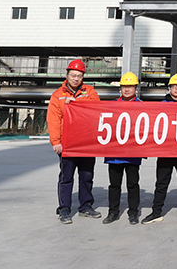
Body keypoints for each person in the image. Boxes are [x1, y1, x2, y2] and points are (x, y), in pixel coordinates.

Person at [47, 59, 101, 223]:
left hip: (86, 143)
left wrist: (78, 103)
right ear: (67, 75)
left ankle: (85, 206)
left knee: (86, 176)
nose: (76, 79)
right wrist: (56, 142)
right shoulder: (58, 95)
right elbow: (54, 120)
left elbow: (97, 108)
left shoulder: (90, 92)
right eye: (73, 75)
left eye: (79, 76)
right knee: (66, 177)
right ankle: (64, 209)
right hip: (67, 144)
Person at [141, 73, 177, 224]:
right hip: (165, 151)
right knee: (161, 184)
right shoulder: (161, 105)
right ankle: (156, 212)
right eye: (174, 86)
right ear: (169, 88)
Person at [103, 72, 144, 224]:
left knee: (132, 184)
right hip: (114, 153)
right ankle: (113, 212)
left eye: (130, 86)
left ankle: (133, 212)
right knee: (114, 185)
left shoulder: (142, 106)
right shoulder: (111, 105)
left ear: (135, 88)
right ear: (120, 88)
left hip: (133, 153)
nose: (127, 89)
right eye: (124, 87)